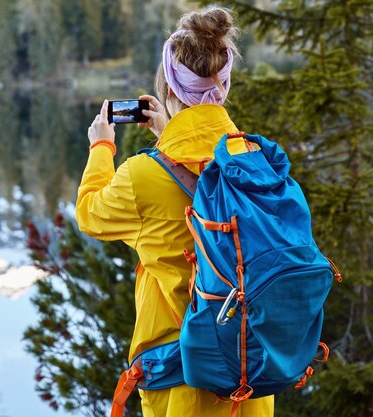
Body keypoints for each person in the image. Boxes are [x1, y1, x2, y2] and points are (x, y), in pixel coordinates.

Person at [76, 6, 275, 417]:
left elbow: (89, 214)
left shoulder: (142, 175)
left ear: (168, 86)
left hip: (182, 385)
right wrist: (169, 136)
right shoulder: (257, 160)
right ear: (224, 85)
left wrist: (102, 147)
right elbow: (205, 169)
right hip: (250, 379)